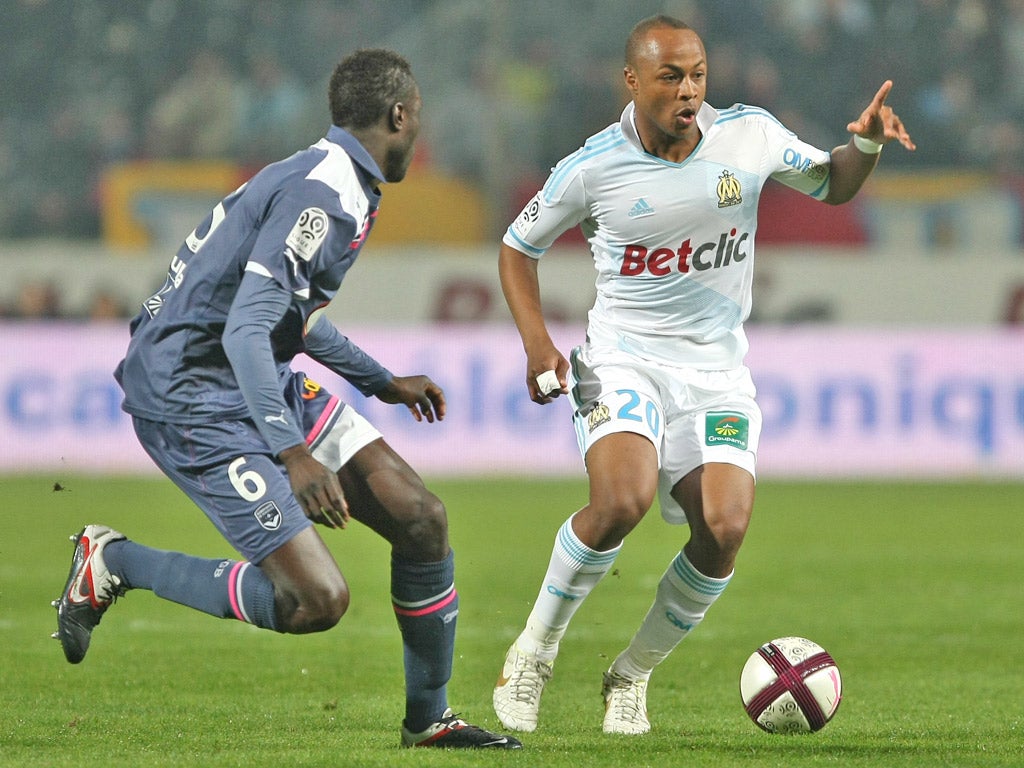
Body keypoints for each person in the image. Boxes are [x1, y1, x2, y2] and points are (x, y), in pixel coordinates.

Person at [52, 48, 521, 751]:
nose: (419, 132)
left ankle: (429, 720)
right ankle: (115, 563)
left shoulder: (330, 178)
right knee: (316, 602)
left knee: (422, 519)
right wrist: (292, 454)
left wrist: (376, 378)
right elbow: (245, 327)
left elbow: (283, 319)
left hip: (251, 370)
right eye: (417, 118)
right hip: (191, 392)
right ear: (400, 115)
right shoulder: (324, 195)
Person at [492, 15, 914, 736]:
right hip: (624, 358)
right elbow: (516, 247)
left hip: (716, 373)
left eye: (697, 76)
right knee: (620, 500)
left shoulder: (748, 135)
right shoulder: (593, 167)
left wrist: (865, 143)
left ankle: (632, 674)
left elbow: (833, 184)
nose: (688, 91)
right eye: (670, 77)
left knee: (724, 526)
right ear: (632, 81)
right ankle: (533, 652)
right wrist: (538, 346)